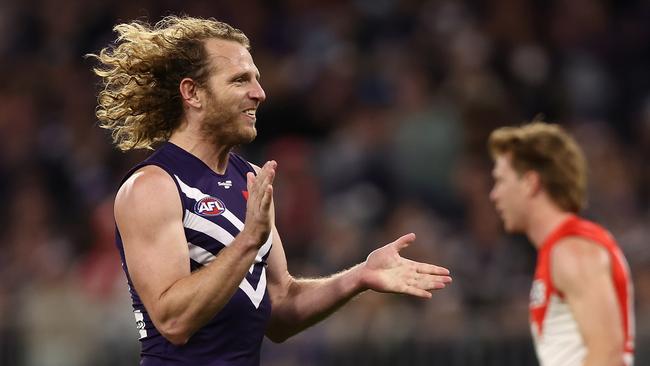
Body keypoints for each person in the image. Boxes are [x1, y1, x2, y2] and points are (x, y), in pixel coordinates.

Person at [89, 16, 452, 366]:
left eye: (257, 79)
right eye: (239, 80)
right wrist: (248, 241)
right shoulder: (153, 186)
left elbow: (280, 307)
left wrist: (359, 276)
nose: (259, 93)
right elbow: (173, 321)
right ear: (192, 92)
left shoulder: (250, 179)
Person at [487, 122, 635, 366]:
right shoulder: (562, 249)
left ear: (530, 183)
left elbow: (608, 354)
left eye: (501, 181)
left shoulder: (572, 250)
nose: (494, 194)